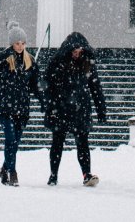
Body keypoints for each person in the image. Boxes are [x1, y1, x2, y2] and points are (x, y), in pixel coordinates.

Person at [41, 31, 107, 187]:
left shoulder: (87, 64)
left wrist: (101, 108)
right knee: (57, 142)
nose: (77, 54)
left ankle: (86, 174)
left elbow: (95, 87)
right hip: (60, 108)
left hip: (80, 109)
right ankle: (53, 175)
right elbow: (46, 86)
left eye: (80, 51)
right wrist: (49, 105)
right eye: (75, 51)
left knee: (82, 143)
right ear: (68, 50)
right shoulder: (57, 62)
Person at [0, 21, 39, 187]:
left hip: (22, 108)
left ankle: (4, 168)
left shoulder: (29, 60)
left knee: (15, 142)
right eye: (17, 43)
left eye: (23, 43)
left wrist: (45, 101)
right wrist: (1, 61)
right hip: (7, 107)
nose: (20, 46)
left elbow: (36, 84)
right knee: (10, 140)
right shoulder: (4, 58)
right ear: (12, 43)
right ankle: (12, 172)